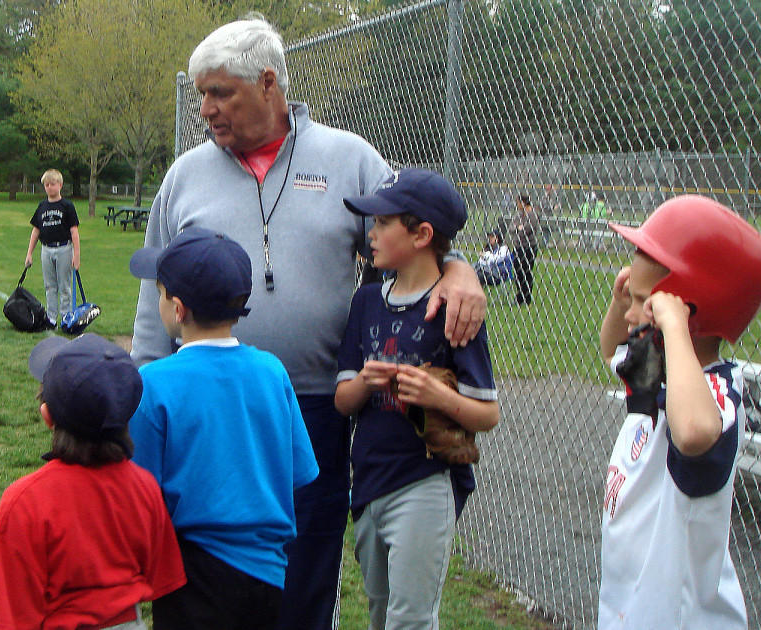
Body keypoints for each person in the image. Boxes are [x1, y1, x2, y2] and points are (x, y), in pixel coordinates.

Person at [129, 17, 487, 627]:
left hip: (317, 404)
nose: (206, 110)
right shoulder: (185, 175)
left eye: (220, 93)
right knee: (202, 558)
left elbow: (416, 232)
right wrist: (142, 379)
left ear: (268, 83)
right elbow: (151, 294)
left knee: (308, 559)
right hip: (201, 404)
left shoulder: (348, 159)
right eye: (201, 95)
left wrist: (459, 269)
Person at [597, 195, 761, 629]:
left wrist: (673, 324)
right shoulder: (661, 369)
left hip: (681, 617)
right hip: (628, 608)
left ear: (687, 311)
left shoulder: (715, 393)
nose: (633, 313)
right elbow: (611, 352)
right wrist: (625, 301)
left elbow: (694, 433)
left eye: (645, 302)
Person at [128, 227, 319, 629]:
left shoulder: (155, 382)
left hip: (191, 571)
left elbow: (140, 491)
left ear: (177, 308)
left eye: (160, 293)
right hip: (269, 573)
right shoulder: (272, 371)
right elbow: (299, 472)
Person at [335, 170, 499, 629]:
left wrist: (435, 396)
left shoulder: (454, 310)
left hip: (424, 480)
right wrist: (367, 382)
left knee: (410, 618)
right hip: (368, 480)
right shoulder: (366, 301)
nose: (371, 234)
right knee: (378, 610)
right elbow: (342, 401)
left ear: (422, 234)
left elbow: (488, 414)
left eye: (383, 223)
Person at [0, 334, 186, 630]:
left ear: (47, 416)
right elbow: (163, 574)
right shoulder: (144, 486)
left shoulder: (25, 501)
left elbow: (13, 616)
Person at [25, 169, 81, 328]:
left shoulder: (67, 206)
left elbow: (74, 232)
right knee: (50, 286)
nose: (50, 187)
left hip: (64, 248)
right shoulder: (42, 206)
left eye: (53, 184)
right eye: (47, 185)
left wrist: (76, 255)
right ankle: (51, 318)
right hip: (46, 249)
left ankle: (65, 317)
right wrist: (29, 253)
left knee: (64, 286)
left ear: (60, 185)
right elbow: (36, 230)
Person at [507, 194, 541, 305]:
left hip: (529, 247)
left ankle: (526, 298)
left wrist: (519, 228)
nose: (517, 205)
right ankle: (519, 296)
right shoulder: (519, 215)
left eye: (518, 202)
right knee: (517, 271)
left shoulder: (532, 215)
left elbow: (527, 229)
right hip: (518, 246)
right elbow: (512, 227)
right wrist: (518, 227)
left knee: (526, 271)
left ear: (523, 203)